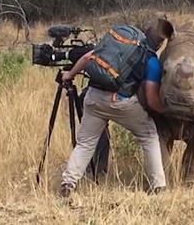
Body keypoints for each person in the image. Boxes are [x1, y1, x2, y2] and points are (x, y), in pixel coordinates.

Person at [59, 25, 166, 197]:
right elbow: (152, 100)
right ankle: (158, 186)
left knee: (85, 143)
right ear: (160, 44)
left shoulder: (121, 43)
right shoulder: (151, 60)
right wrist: (166, 110)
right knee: (149, 135)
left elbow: (88, 57)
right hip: (120, 102)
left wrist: (69, 75)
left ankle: (68, 183)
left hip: (93, 97)